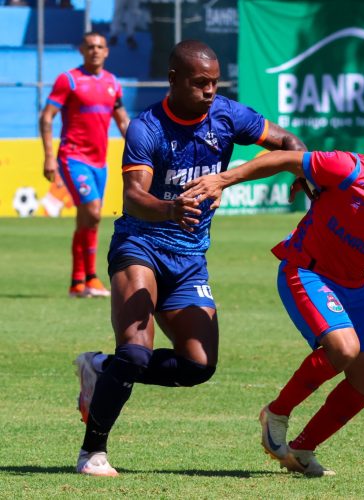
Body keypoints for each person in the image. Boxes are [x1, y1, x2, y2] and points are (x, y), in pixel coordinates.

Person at [72, 39, 306, 476]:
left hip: (189, 259)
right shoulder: (147, 128)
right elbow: (134, 196)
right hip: (140, 246)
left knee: (199, 366)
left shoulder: (227, 116)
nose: (210, 91)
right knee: (137, 353)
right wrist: (170, 208)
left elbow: (286, 139)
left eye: (215, 82)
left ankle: (101, 367)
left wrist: (303, 170)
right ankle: (93, 452)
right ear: (174, 79)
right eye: (200, 83)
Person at [182, 121, 364, 477]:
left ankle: (303, 449)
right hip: (306, 269)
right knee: (344, 349)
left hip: (353, 285)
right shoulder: (350, 169)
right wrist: (223, 180)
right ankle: (276, 413)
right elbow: (285, 159)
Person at [39, 32, 130, 298]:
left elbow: (122, 120)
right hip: (73, 156)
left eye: (100, 46)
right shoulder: (68, 80)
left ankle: (77, 282)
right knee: (92, 211)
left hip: (99, 162)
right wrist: (48, 156)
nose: (95, 51)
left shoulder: (113, 82)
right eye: (90, 46)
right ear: (81, 50)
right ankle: (91, 277)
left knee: (88, 220)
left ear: (107, 51)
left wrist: (143, 149)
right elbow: (47, 117)